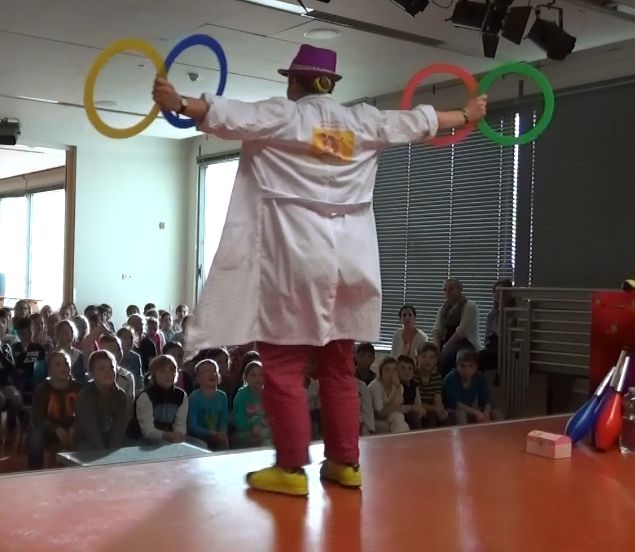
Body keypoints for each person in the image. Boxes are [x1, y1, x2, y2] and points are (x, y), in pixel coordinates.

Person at [153, 43, 487, 496]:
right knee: (338, 366)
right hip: (352, 263)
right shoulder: (362, 121)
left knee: (284, 367)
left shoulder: (285, 117)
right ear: (330, 85)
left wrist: (179, 104)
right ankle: (346, 463)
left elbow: (230, 115)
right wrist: (467, 114)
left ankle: (291, 470)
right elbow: (419, 122)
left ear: (295, 82)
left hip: (293, 262)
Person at [28, 350, 82, 469]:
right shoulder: (42, 390)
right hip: (49, 429)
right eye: (58, 365)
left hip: (74, 428)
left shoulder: (79, 388)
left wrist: (75, 426)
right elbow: (37, 416)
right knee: (35, 438)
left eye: (66, 364)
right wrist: (55, 428)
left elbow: (84, 414)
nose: (63, 367)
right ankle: (34, 473)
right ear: (49, 370)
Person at [74, 350, 128, 450]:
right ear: (91, 373)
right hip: (87, 440)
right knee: (85, 448)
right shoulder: (85, 395)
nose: (108, 372)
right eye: (101, 368)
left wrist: (112, 450)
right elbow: (91, 430)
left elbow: (119, 428)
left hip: (110, 439)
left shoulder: (120, 395)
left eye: (111, 368)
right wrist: (103, 453)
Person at [132, 355, 188, 445]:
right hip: (145, 441)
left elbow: (180, 425)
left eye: (172, 370)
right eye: (163, 371)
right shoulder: (146, 396)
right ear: (154, 375)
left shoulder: (181, 396)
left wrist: (179, 435)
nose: (168, 374)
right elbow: (147, 431)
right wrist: (167, 436)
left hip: (171, 440)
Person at [432, 278, 481, 376]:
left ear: (460, 289)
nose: (447, 292)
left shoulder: (469, 306)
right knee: (429, 355)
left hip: (465, 342)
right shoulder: (443, 309)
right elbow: (437, 330)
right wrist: (436, 348)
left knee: (448, 355)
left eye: (451, 289)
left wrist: (445, 347)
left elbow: (461, 332)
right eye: (445, 290)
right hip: (447, 341)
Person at [442, 350, 503, 425]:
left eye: (470, 366)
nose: (466, 370)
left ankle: (501, 435)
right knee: (461, 414)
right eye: (462, 366)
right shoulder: (450, 378)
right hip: (450, 412)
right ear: (457, 367)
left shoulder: (479, 377)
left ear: (476, 367)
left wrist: (486, 412)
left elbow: (487, 400)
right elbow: (456, 404)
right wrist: (477, 413)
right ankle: (464, 436)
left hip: (470, 410)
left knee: (496, 412)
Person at [187, 359, 228, 450]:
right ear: (198, 379)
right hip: (197, 437)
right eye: (206, 372)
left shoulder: (222, 396)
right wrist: (210, 433)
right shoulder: (194, 397)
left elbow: (223, 420)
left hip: (216, 436)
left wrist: (222, 432)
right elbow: (192, 427)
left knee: (224, 442)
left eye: (214, 371)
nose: (212, 374)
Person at [232, 360, 271, 448]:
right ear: (246, 378)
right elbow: (239, 424)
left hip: (264, 430)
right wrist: (254, 425)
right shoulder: (241, 395)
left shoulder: (268, 394)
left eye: (261, 375)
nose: (258, 378)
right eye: (253, 375)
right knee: (265, 437)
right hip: (245, 432)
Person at [481, 278, 513, 377]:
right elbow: (487, 338)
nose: (498, 295)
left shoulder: (517, 313)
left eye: (502, 291)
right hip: (495, 348)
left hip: (511, 350)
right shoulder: (491, 315)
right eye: (496, 291)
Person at [368, 357, 409, 434]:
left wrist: (398, 388)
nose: (391, 373)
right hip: (373, 419)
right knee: (401, 423)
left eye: (394, 369)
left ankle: (400, 442)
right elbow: (380, 415)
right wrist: (394, 405)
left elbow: (398, 408)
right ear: (381, 373)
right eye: (387, 370)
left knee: (399, 418)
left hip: (389, 416)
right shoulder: (375, 386)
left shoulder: (399, 386)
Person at [98, 334, 136, 416]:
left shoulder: (128, 376)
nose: (117, 354)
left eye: (119, 349)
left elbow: (129, 408)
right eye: (110, 351)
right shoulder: (95, 375)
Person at [0, 310, 24, 433]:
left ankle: (10, 428)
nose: (0, 325)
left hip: (4, 382)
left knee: (16, 398)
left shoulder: (5, 347)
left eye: (3, 323)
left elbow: (11, 369)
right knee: (1, 399)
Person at [415, 343, 449, 428]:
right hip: (416, 409)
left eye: (432, 357)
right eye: (424, 356)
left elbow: (438, 400)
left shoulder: (436, 377)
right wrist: (436, 409)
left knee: (447, 417)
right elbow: (416, 403)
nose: (428, 360)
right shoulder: (413, 375)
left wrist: (442, 412)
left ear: (436, 360)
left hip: (430, 409)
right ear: (417, 358)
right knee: (432, 415)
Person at [397, 355, 426, 430]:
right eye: (403, 368)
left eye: (410, 368)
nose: (407, 371)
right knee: (414, 417)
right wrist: (411, 408)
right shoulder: (396, 386)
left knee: (429, 414)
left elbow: (418, 402)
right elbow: (396, 407)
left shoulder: (415, 386)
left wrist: (420, 409)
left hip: (412, 411)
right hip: (400, 413)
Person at [55, 319, 87, 385]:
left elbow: (82, 378)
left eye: (71, 332)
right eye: (65, 332)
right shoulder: (52, 356)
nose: (69, 335)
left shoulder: (79, 356)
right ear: (58, 335)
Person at [117, 326, 144, 392]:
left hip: (134, 388)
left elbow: (138, 377)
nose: (129, 341)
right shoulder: (115, 355)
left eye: (131, 338)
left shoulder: (136, 357)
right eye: (125, 338)